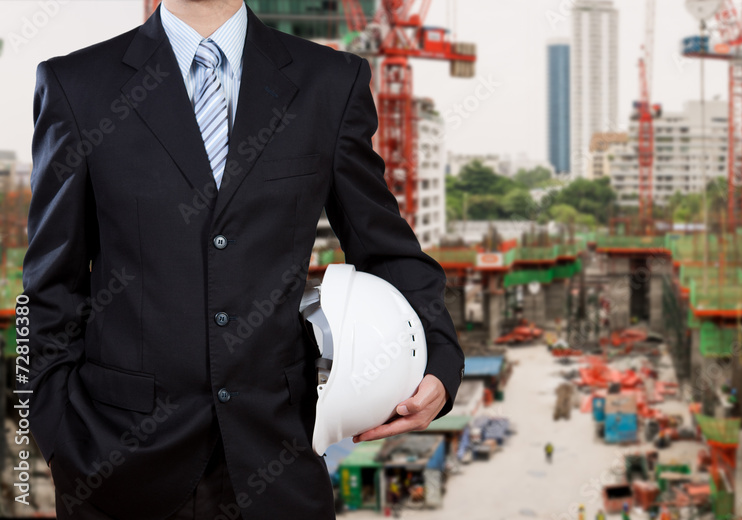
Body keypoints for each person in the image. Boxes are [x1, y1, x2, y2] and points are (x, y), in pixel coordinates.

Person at [19, 1, 466, 518]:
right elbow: (49, 286)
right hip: (115, 465)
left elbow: (387, 251)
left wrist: (439, 360)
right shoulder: (76, 83)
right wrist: (52, 432)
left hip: (278, 458)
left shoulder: (329, 81)